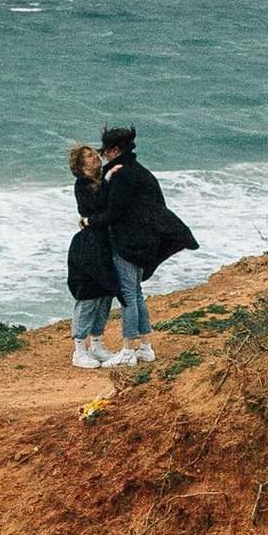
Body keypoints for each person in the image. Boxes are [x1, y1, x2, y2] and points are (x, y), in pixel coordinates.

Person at [92, 123, 198, 367]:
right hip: (146, 242)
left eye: (105, 151)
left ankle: (128, 351)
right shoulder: (139, 171)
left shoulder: (122, 175)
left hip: (130, 244)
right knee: (136, 294)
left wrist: (88, 221)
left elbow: (112, 213)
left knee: (128, 295)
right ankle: (146, 348)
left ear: (115, 150)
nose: (103, 155)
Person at [66, 144, 118, 369]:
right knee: (87, 295)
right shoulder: (82, 185)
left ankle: (96, 345)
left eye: (93, 152)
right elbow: (96, 209)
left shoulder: (103, 179)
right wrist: (107, 181)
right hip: (88, 244)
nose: (95, 156)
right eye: (88, 155)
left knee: (105, 293)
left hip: (105, 242)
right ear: (81, 165)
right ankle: (79, 350)